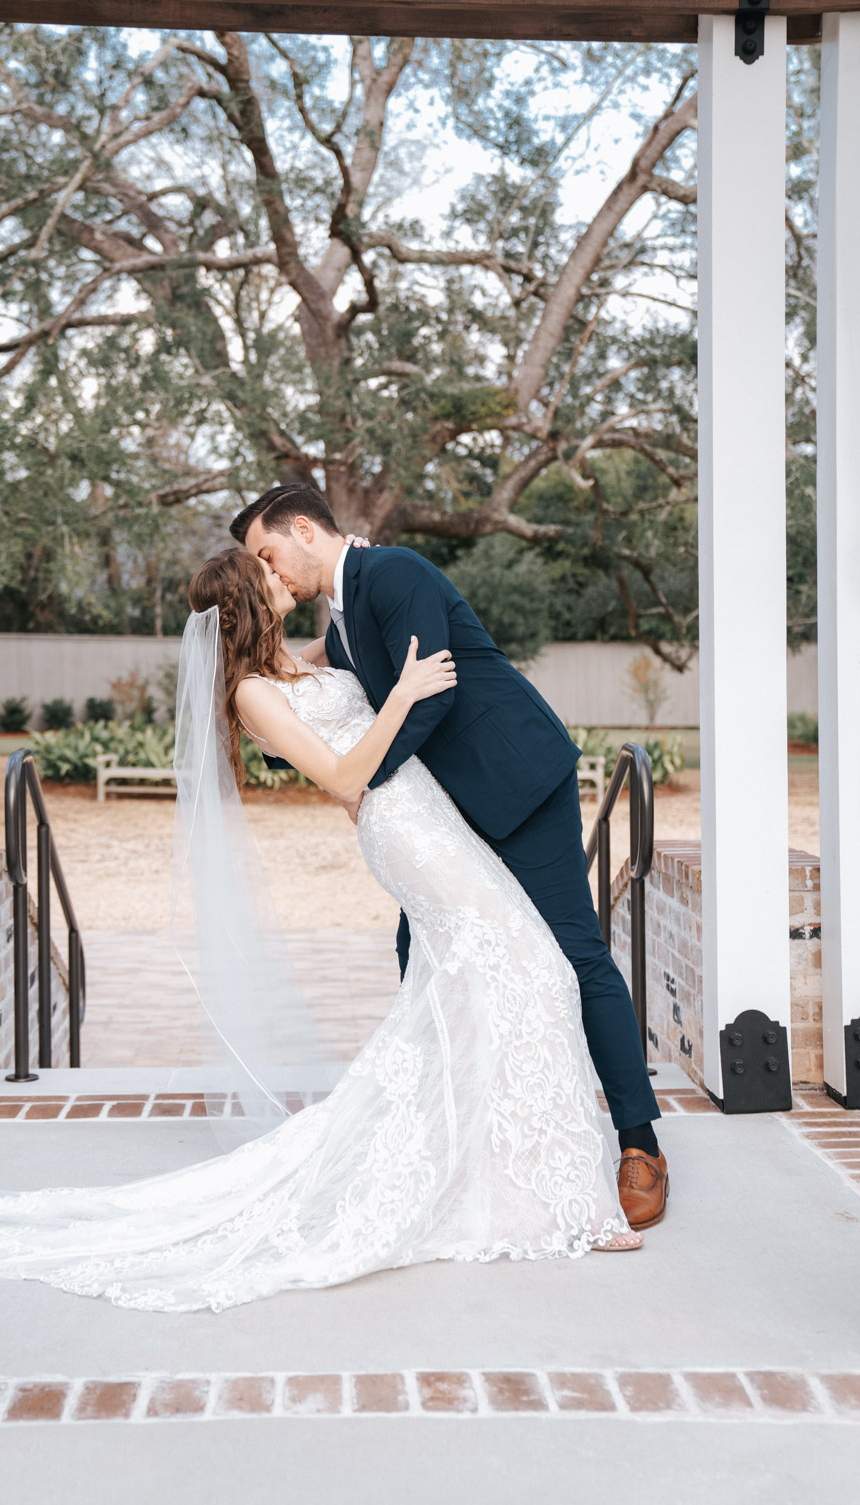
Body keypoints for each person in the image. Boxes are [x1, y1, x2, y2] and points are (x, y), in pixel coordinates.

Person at [0, 544, 640, 1313]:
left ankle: (511, 1176)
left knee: (490, 984)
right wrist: (407, 695)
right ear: (248, 598)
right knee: (533, 970)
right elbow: (342, 772)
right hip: (406, 828)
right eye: (267, 573)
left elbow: (350, 650)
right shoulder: (251, 692)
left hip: (432, 821)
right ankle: (567, 1202)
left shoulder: (288, 661)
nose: (281, 576)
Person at [232, 483, 668, 1232]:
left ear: (304, 528)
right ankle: (458, 1132)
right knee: (425, 962)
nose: (271, 574)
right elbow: (300, 690)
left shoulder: (393, 572)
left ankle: (639, 1145)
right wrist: (269, 734)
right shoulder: (337, 623)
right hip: (441, 818)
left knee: (572, 954)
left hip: (514, 785)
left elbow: (429, 696)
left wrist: (357, 786)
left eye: (269, 554)